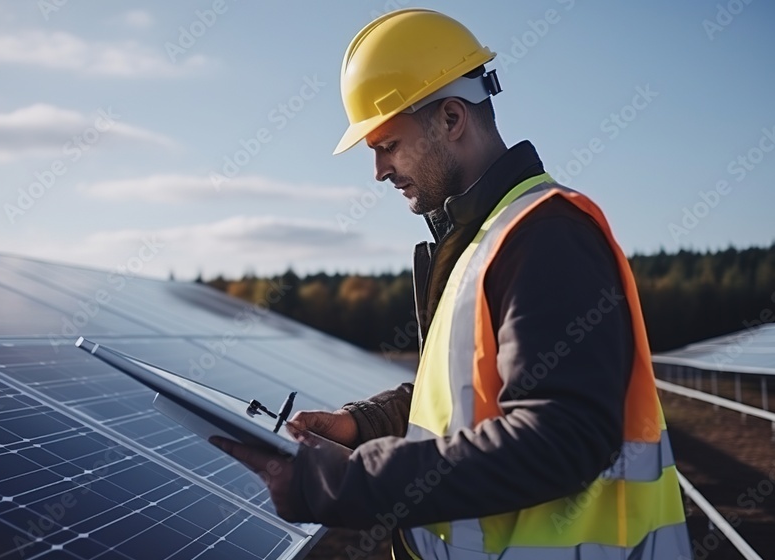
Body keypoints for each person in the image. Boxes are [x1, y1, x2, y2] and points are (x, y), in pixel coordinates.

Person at [212, 8, 691, 559]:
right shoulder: (483, 242)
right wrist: (360, 427)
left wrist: (342, 483)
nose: (378, 172)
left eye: (386, 145)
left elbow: (562, 438)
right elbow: (468, 399)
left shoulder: (545, 235)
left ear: (451, 118)